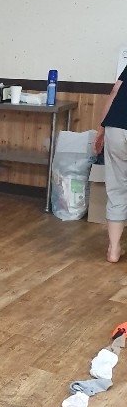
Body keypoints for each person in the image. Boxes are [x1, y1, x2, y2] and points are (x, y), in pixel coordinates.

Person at [94, 64, 127, 262]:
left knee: (117, 188)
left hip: (116, 126)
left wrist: (101, 129)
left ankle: (113, 249)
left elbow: (116, 90)